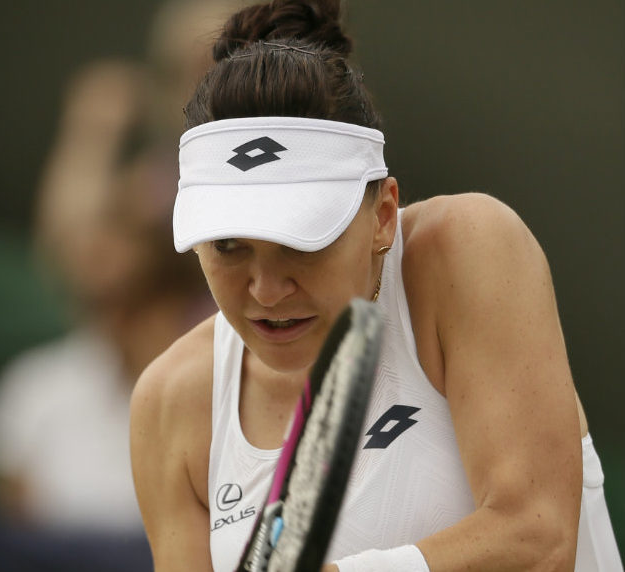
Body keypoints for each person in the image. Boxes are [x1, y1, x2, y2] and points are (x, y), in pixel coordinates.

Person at [129, 1, 622, 571]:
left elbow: (538, 538)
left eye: (302, 242)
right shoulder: (170, 402)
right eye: (228, 246)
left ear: (384, 216)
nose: (265, 290)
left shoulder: (465, 248)